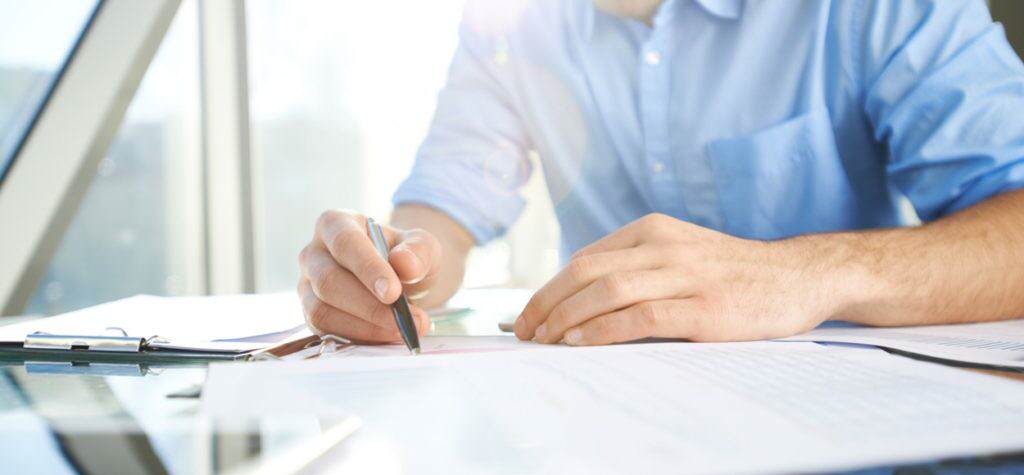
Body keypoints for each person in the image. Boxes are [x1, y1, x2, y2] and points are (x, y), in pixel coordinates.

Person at [297, 0, 1024, 347]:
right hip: (604, 434)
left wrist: (803, 273)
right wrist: (394, 266)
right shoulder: (509, 25)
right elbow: (444, 212)